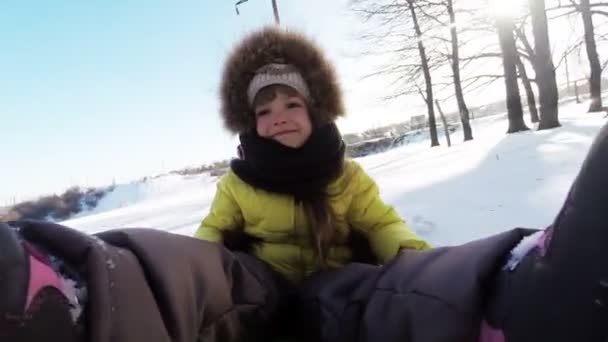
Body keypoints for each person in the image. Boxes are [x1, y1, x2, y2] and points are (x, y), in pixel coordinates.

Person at [194, 26, 430, 284]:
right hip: (263, 293)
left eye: (292, 105)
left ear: (314, 114)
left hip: (339, 290)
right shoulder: (236, 185)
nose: (279, 119)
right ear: (251, 124)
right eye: (264, 112)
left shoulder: (346, 176)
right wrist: (195, 270)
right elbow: (213, 231)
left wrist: (412, 259)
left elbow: (380, 224)